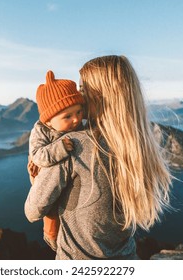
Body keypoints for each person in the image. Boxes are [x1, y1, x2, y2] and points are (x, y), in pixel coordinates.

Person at [25, 55, 172, 259]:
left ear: (99, 96)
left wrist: (36, 180)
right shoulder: (137, 146)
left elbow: (32, 211)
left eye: (82, 91)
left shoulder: (73, 145)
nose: (78, 98)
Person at [28, 70, 85, 251]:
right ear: (49, 121)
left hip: (64, 181)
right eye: (67, 116)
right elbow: (37, 155)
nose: (76, 119)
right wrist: (60, 148)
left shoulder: (74, 125)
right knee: (51, 213)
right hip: (43, 175)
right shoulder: (40, 131)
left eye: (79, 111)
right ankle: (53, 240)